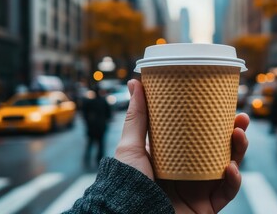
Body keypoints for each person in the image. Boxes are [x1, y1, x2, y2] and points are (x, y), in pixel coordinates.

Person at [65, 79, 250, 213]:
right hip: (101, 130)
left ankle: (91, 158)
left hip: (94, 130)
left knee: (93, 145)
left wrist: (129, 198)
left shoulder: (91, 102)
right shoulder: (100, 102)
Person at [82, 86, 112, 166]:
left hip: (92, 127)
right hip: (101, 127)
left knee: (90, 144)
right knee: (100, 145)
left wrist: (88, 123)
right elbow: (109, 114)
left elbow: (84, 114)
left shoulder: (89, 102)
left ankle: (87, 160)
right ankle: (99, 160)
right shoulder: (103, 101)